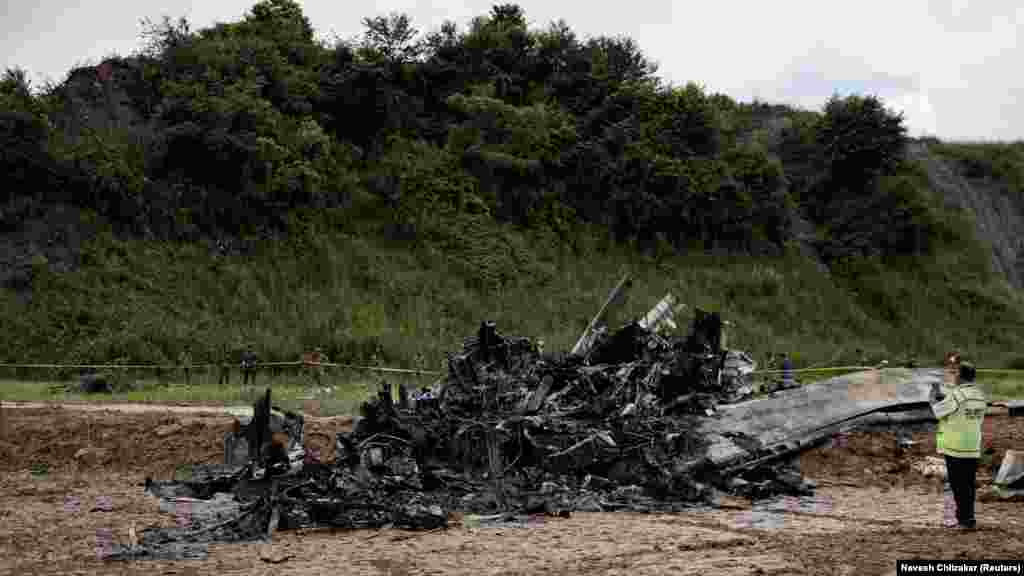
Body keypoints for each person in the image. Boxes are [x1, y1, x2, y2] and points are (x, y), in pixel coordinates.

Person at [930, 362, 987, 530]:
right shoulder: (980, 395)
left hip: (956, 447)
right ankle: (969, 519)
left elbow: (937, 411)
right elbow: (962, 410)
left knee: (957, 485)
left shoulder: (957, 395)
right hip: (973, 446)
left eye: (955, 374)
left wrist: (933, 394)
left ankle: (965, 521)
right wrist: (944, 397)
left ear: (960, 376)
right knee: (968, 485)